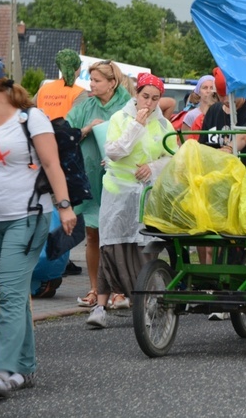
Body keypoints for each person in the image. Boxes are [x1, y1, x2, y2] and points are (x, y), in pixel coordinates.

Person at [0, 58, 77, 398]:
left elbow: (52, 163)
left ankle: (3, 370)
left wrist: (65, 206)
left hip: (25, 218)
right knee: (13, 295)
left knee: (9, 296)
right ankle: (24, 367)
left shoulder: (31, 118)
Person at [86, 74, 176, 328]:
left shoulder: (163, 125)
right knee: (111, 246)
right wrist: (136, 125)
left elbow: (174, 157)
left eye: (155, 98)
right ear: (136, 94)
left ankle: (147, 302)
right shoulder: (120, 118)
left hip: (146, 195)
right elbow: (114, 151)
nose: (149, 103)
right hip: (118, 194)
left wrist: (153, 167)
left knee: (144, 248)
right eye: (145, 96)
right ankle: (101, 306)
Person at [66, 60, 132, 309]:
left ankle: (118, 290)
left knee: (116, 236)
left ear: (112, 83)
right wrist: (86, 128)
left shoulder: (128, 105)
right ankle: (94, 289)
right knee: (92, 233)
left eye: (96, 80)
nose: (91, 85)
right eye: (90, 80)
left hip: (119, 179)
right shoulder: (86, 105)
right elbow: (66, 134)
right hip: (90, 178)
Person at [31, 49, 88, 298]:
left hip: (40, 151)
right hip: (65, 153)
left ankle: (47, 261)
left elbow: (31, 113)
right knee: (64, 214)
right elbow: (76, 125)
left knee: (46, 211)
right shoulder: (79, 92)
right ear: (77, 69)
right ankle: (57, 261)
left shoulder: (44, 89)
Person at [196, 68, 246, 267]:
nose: (227, 100)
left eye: (232, 95)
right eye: (222, 95)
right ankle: (203, 275)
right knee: (201, 229)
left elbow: (240, 140)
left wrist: (225, 151)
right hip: (212, 178)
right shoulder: (214, 110)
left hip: (240, 181)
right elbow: (202, 145)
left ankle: (230, 265)